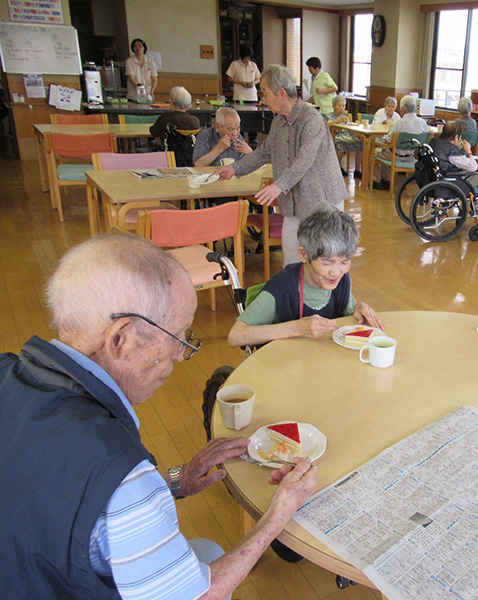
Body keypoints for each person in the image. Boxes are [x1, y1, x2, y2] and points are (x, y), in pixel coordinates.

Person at [0, 234, 316, 599]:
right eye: (178, 337)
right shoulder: (119, 473)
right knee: (209, 555)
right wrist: (279, 514)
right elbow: (199, 595)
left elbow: (58, 504)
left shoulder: (8, 373)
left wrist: (176, 482)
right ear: (122, 339)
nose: (181, 356)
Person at [217, 65, 348, 267]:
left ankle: (325, 299)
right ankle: (295, 297)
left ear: (281, 93)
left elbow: (305, 159)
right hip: (294, 203)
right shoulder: (279, 122)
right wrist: (236, 168)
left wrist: (278, 186)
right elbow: (264, 151)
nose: (263, 98)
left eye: (265, 93)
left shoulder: (311, 119)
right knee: (292, 261)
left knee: (324, 263)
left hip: (322, 203)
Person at [229, 205, 383, 347]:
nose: (336, 272)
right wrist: (296, 327)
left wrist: (359, 308)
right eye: (327, 262)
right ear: (304, 255)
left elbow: (347, 317)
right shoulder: (283, 287)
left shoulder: (341, 280)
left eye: (344, 261)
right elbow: (236, 336)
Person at [429, 121, 478, 221]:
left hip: (436, 178)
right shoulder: (453, 152)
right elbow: (473, 167)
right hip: (450, 184)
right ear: (456, 137)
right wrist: (468, 151)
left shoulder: (435, 142)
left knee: (475, 177)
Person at [372, 94, 429, 190]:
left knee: (375, 152)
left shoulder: (399, 122)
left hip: (396, 157)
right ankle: (387, 180)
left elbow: (388, 140)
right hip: (411, 157)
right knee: (388, 151)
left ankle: (377, 181)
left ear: (402, 109)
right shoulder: (422, 122)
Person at [325, 95, 363, 178]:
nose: (342, 108)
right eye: (339, 106)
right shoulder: (330, 115)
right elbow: (329, 124)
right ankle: (338, 168)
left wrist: (356, 124)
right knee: (340, 144)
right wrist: (339, 120)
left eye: (343, 106)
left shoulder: (345, 117)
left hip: (347, 136)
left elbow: (349, 128)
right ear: (334, 106)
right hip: (335, 136)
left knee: (361, 144)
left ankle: (357, 170)